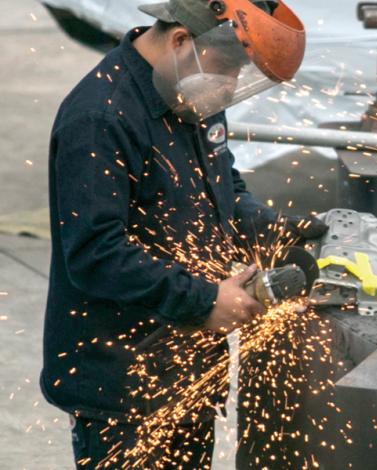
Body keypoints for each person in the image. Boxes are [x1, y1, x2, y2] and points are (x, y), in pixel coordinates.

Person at [41, 0, 324, 468]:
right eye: (229, 69)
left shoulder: (191, 90)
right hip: (121, 386)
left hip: (187, 375)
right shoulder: (100, 117)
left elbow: (222, 189)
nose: (230, 86)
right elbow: (96, 254)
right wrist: (206, 301)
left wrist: (275, 229)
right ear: (180, 41)